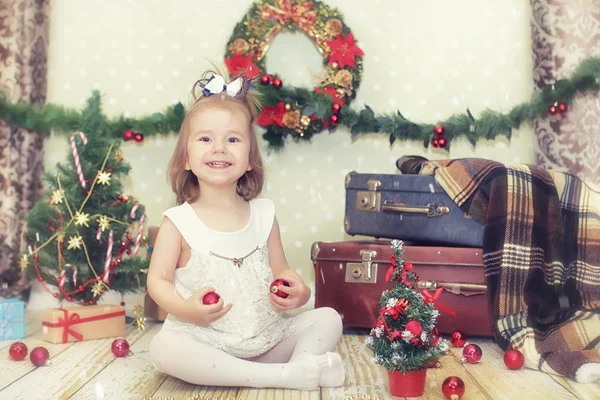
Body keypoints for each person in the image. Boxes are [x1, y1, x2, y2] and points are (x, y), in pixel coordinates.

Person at [147, 70, 345, 390]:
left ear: (250, 159)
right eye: (205, 138)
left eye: (233, 139)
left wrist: (298, 292)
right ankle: (289, 375)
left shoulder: (264, 215)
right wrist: (187, 310)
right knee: (163, 348)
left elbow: (283, 272)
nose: (220, 148)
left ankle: (297, 366)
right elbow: (157, 281)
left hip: (268, 339)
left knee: (329, 318)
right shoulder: (178, 222)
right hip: (207, 344)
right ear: (186, 158)